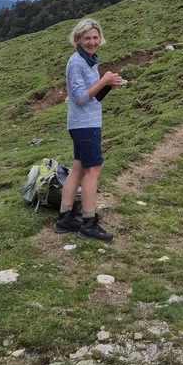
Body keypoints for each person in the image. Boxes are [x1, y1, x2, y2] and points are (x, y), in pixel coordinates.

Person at [55, 18, 123, 241]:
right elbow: (80, 97)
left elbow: (92, 96)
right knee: (94, 170)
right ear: (77, 40)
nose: (92, 42)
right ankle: (89, 222)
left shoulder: (89, 61)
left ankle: (65, 217)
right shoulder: (76, 63)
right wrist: (103, 81)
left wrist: (107, 86)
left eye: (95, 37)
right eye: (87, 38)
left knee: (79, 169)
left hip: (86, 122)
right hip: (84, 124)